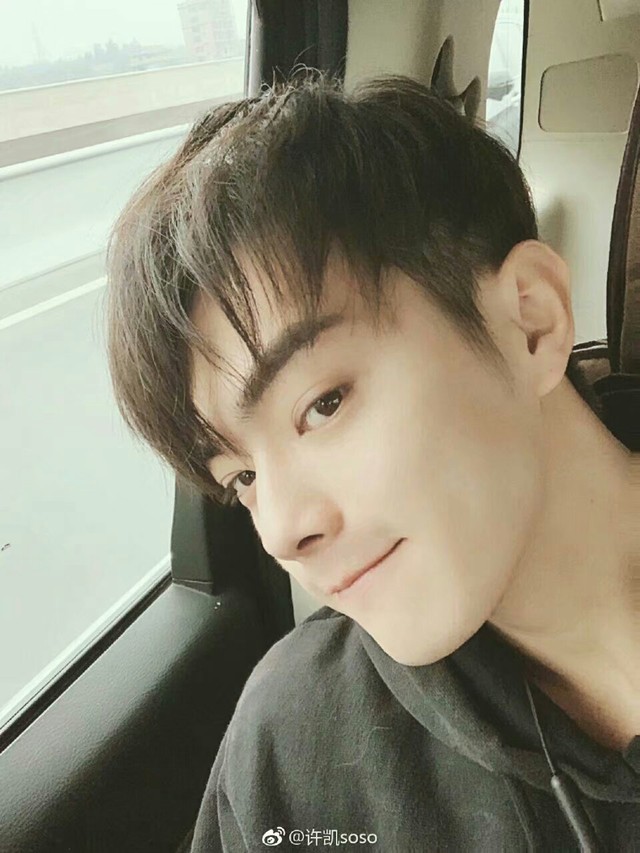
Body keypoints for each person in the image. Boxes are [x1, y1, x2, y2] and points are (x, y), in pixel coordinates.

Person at [106, 73, 639, 851]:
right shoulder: (295, 753)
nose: (281, 530)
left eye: (323, 403)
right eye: (242, 477)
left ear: (531, 321)